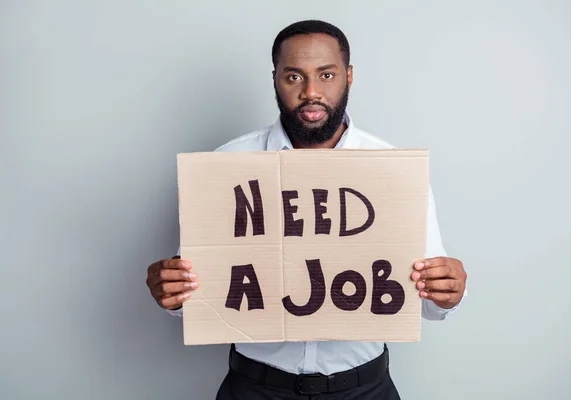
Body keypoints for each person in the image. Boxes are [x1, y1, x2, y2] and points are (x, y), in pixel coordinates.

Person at [146, 19, 468, 400]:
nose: (311, 92)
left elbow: (429, 303)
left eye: (327, 75)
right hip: (254, 388)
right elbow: (198, 295)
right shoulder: (228, 163)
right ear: (275, 80)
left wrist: (448, 292)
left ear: (349, 76)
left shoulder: (394, 170)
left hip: (364, 389)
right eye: (294, 77)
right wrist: (172, 295)